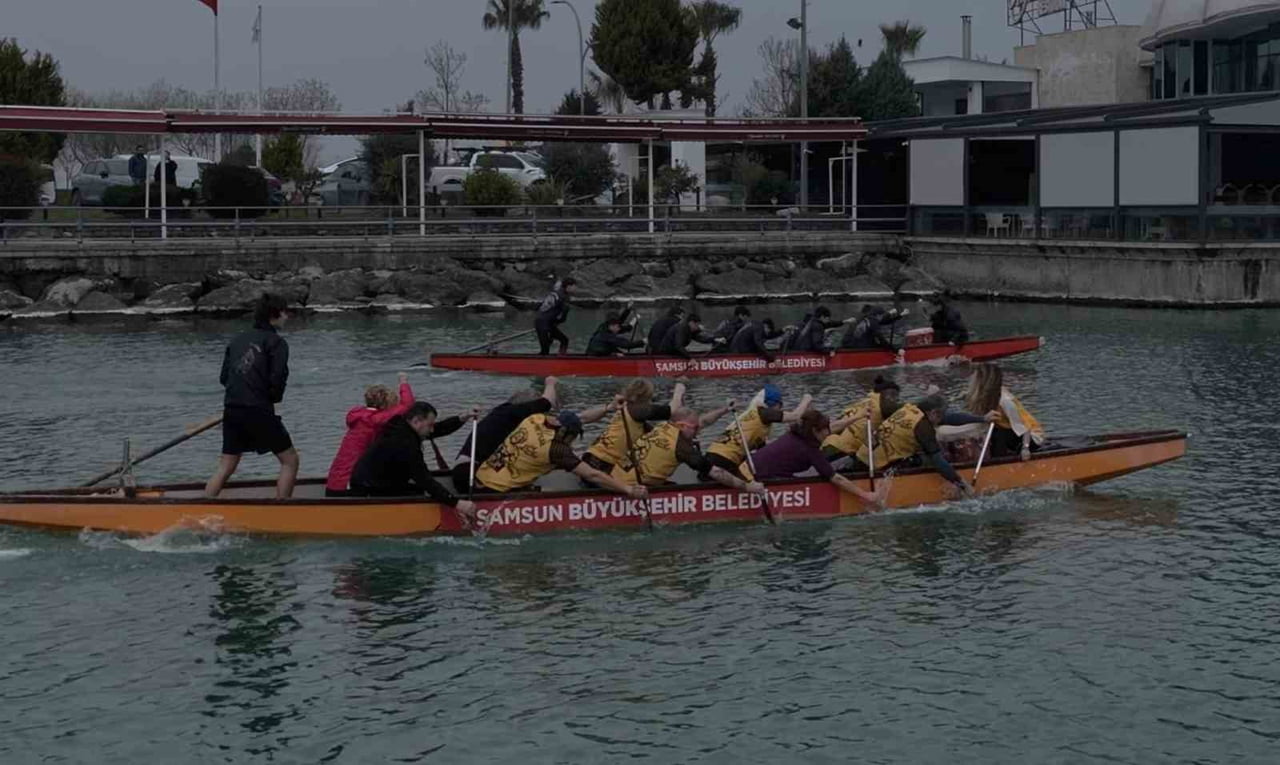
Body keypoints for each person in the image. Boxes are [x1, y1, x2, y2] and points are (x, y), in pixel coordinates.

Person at [204, 293, 299, 499]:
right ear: (274, 314)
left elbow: (224, 378)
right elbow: (278, 378)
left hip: (232, 409)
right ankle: (284, 508)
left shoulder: (237, 340)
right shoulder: (276, 342)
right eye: (285, 312)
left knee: (227, 464)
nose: (287, 317)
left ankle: (204, 505)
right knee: (290, 460)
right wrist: (272, 399)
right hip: (258, 409)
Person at [473, 408, 649, 499]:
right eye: (572, 438)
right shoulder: (556, 449)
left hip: (482, 476)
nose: (571, 443)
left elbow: (581, 418)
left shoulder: (535, 419)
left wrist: (608, 407)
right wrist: (628, 489)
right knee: (558, 489)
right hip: (497, 490)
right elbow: (593, 475)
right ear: (566, 433)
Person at [348, 402, 477, 519]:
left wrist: (462, 418)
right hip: (369, 489)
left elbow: (438, 429)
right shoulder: (406, 444)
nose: (432, 429)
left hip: (368, 480)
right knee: (419, 491)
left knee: (418, 488)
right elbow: (424, 479)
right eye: (430, 425)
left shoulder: (402, 425)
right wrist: (457, 503)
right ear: (416, 421)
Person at [855, 394, 992, 497]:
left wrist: (982, 419)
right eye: (941, 415)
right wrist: (963, 485)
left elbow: (949, 418)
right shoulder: (923, 427)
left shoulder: (910, 409)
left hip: (863, 455)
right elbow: (938, 462)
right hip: (879, 464)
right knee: (932, 457)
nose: (942, 419)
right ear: (933, 412)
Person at [612, 406, 765, 496]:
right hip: (632, 488)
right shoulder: (682, 447)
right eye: (695, 428)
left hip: (615, 477)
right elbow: (716, 472)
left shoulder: (663, 426)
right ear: (682, 426)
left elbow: (703, 421)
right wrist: (747, 487)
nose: (698, 431)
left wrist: (725, 410)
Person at [751, 410, 889, 507]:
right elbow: (836, 478)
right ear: (814, 431)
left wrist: (858, 417)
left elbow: (832, 427)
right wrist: (865, 495)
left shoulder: (798, 433)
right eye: (825, 430)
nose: (828, 433)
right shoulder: (810, 450)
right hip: (759, 479)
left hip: (750, 466)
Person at [451, 376, 559, 493]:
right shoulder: (516, 412)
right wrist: (550, 383)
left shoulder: (502, 411)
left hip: (464, 470)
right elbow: (548, 401)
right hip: (472, 475)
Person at [325, 372, 415, 497]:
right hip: (348, 487)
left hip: (334, 483)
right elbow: (407, 405)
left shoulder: (360, 417)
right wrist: (403, 382)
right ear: (386, 405)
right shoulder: (375, 420)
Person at [705, 384, 813, 480]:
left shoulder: (752, 417)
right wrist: (806, 399)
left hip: (712, 455)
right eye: (780, 406)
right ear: (773, 404)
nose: (780, 410)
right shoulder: (764, 413)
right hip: (725, 459)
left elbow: (763, 452)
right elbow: (795, 416)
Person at [583, 379, 684, 475]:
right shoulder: (639, 410)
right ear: (646, 396)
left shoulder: (626, 407)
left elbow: (653, 432)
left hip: (591, 457)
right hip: (602, 464)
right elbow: (672, 409)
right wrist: (678, 391)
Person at [965, 363, 1045, 460]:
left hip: (1030, 436)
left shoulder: (1005, 401)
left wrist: (1025, 448)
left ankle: (998, 460)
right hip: (1006, 430)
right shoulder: (984, 399)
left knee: (999, 434)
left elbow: (1024, 427)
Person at [821, 376, 902, 462]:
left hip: (828, 442)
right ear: (887, 395)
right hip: (842, 450)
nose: (896, 399)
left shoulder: (865, 401)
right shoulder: (879, 408)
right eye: (894, 396)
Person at [535, 277, 576, 355]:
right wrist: (559, 321)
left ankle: (560, 357)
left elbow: (543, 307)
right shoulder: (564, 297)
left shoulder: (555, 292)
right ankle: (560, 358)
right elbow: (563, 315)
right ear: (568, 286)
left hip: (543, 322)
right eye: (574, 286)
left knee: (563, 341)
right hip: (544, 323)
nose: (575, 288)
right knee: (546, 350)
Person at [840, 305, 908, 351]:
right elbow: (880, 338)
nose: (882, 317)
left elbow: (884, 321)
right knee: (880, 345)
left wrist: (899, 315)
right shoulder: (873, 322)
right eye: (882, 315)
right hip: (858, 346)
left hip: (847, 344)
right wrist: (894, 350)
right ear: (878, 315)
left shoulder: (864, 319)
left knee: (875, 343)